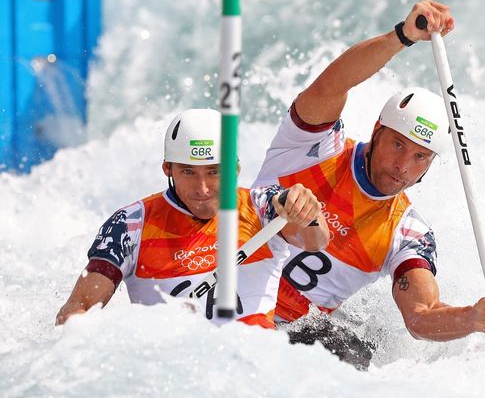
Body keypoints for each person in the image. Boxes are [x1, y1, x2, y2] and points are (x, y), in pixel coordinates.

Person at [253, 0, 485, 362]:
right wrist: (401, 37)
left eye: (420, 157)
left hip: (289, 334)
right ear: (378, 131)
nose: (403, 166)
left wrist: (472, 318)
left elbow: (421, 318)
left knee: (356, 353)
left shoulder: (406, 232)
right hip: (221, 288)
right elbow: (332, 85)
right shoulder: (314, 147)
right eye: (397, 144)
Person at [56, 108, 329, 329]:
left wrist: (307, 211)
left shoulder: (262, 206)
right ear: (167, 169)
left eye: (214, 172)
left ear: (235, 169)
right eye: (188, 172)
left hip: (256, 369)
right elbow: (77, 311)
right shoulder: (129, 225)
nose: (203, 189)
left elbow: (316, 241)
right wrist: (79, 328)